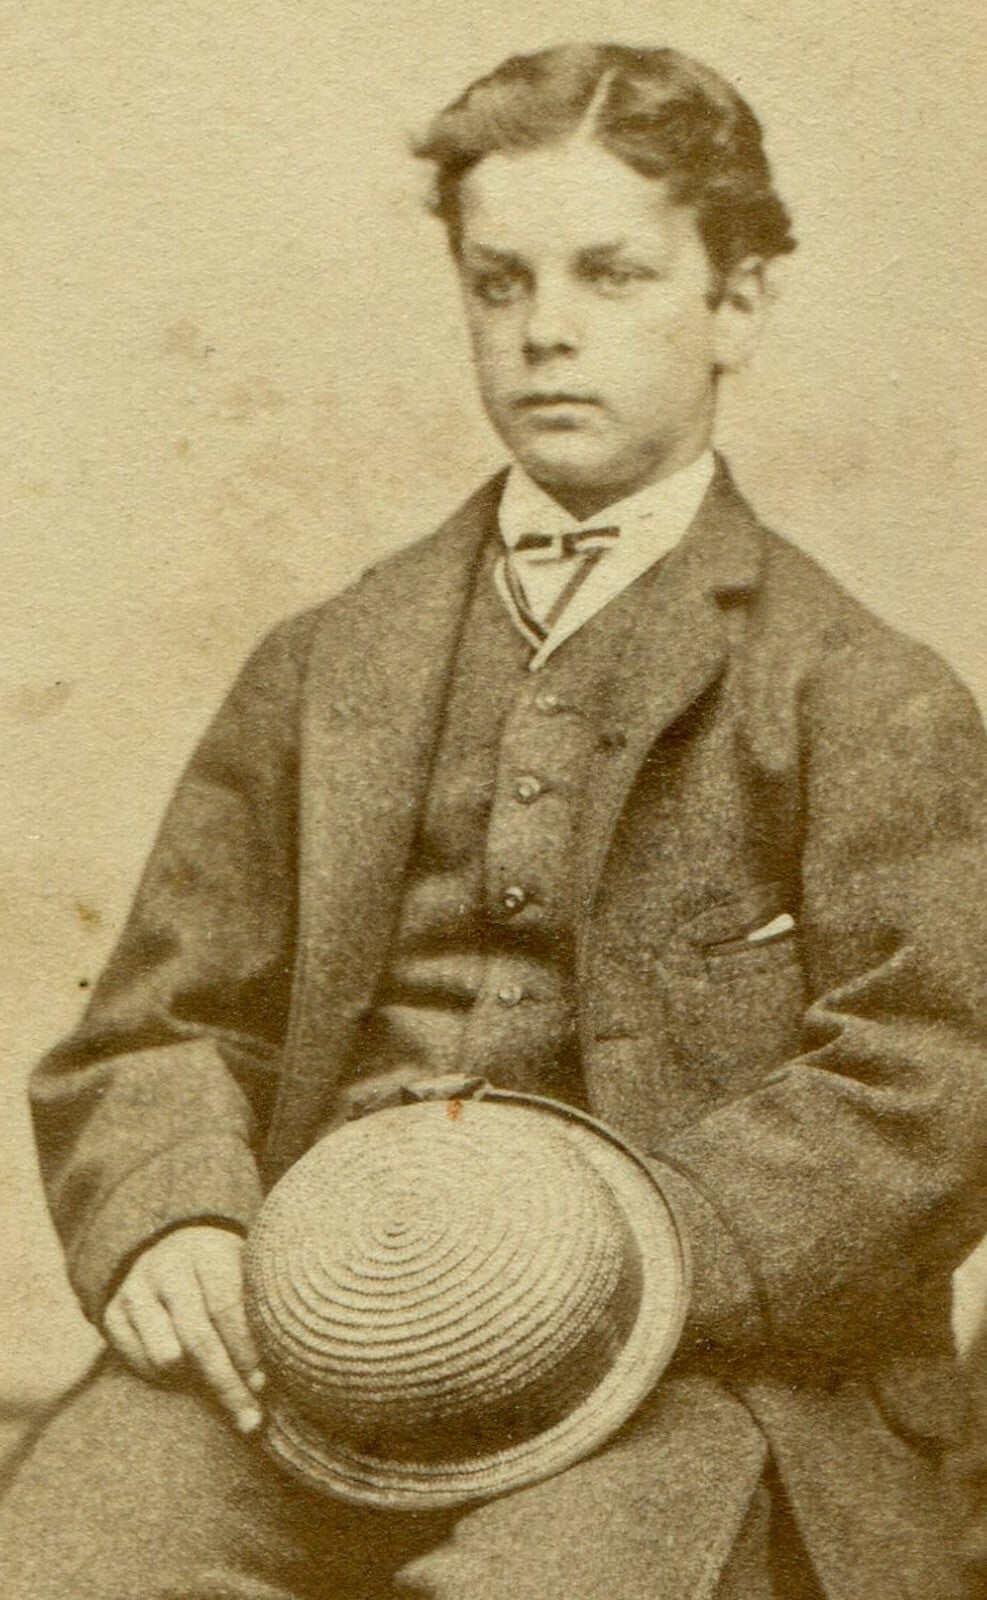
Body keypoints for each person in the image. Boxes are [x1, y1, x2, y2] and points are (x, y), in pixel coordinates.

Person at [1, 41, 985, 1600]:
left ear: (735, 305)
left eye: (612, 275)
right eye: (499, 282)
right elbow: (158, 1024)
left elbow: (938, 1074)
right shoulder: (331, 660)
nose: (548, 335)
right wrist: (172, 1221)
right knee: (67, 1559)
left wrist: (607, 1268)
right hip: (316, 1346)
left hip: (702, 1376)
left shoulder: (862, 688)